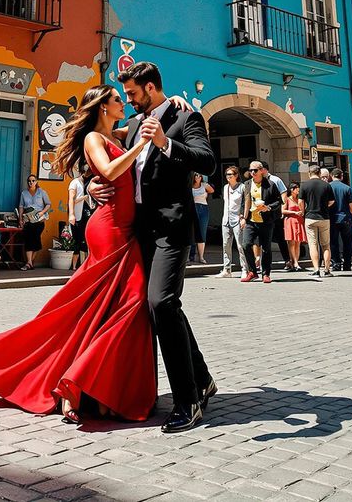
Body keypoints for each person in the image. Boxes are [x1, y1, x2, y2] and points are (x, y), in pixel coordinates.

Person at [0, 85, 158, 425]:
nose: (123, 103)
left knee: (107, 307)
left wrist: (174, 102)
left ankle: (91, 386)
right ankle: (78, 382)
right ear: (102, 107)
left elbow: (146, 119)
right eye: (117, 100)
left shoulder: (117, 133)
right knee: (127, 303)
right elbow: (107, 171)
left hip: (127, 231)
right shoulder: (95, 137)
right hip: (109, 231)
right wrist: (141, 146)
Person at [84, 62, 217, 432]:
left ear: (152, 87)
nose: (128, 101)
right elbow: (104, 154)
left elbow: (207, 162)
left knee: (161, 302)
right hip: (137, 232)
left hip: (172, 228)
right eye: (123, 96)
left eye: (132, 94)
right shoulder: (129, 132)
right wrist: (92, 185)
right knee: (162, 306)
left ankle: (187, 401)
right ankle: (202, 379)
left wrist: (165, 142)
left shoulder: (185, 117)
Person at [242, 161, 283, 283]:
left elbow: (278, 201)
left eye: (255, 170)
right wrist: (242, 217)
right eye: (251, 171)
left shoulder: (270, 184)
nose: (252, 173)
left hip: (266, 221)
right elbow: (244, 202)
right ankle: (252, 272)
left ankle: (266, 273)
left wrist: (268, 207)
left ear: (261, 171)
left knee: (266, 248)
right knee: (246, 245)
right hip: (251, 220)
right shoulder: (247, 184)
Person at [300, 164, 334, 277]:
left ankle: (316, 269)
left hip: (310, 217)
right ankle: (327, 269)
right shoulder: (326, 185)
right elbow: (331, 201)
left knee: (313, 245)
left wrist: (303, 211)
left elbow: (301, 202)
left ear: (309, 173)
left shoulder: (304, 186)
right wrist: (324, 206)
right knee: (326, 245)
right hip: (324, 217)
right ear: (319, 173)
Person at [19, 175, 52, 271]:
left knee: (36, 241)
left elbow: (48, 204)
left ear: (36, 181)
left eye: (33, 180)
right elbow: (21, 206)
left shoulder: (42, 192)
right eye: (29, 181)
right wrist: (20, 219)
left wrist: (42, 212)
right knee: (28, 240)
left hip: (39, 220)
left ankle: (29, 263)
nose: (31, 182)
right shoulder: (24, 193)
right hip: (28, 220)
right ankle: (29, 263)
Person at [218, 166, 246, 277]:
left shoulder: (242, 187)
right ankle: (227, 269)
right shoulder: (225, 187)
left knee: (240, 245)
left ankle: (244, 269)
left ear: (236, 175)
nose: (228, 177)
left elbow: (245, 203)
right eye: (226, 175)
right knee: (226, 245)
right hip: (226, 219)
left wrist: (243, 217)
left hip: (237, 219)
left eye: (230, 174)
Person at [327, 168, 352, 273]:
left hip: (332, 219)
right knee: (347, 243)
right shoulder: (347, 188)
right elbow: (351, 205)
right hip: (345, 218)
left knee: (333, 242)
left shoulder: (328, 187)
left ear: (331, 176)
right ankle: (347, 264)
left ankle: (336, 263)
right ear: (342, 176)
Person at [67, 166, 95, 271]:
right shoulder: (75, 183)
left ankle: (84, 265)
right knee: (77, 241)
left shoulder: (89, 183)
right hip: (78, 215)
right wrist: (71, 214)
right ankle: (74, 266)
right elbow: (71, 200)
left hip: (87, 214)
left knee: (85, 240)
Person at [189, 173, 215, 264]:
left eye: (200, 176)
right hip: (192, 208)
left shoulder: (204, 185)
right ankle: (190, 256)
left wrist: (206, 188)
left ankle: (201, 257)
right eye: (196, 175)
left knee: (202, 232)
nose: (198, 177)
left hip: (203, 208)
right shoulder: (189, 185)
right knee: (191, 232)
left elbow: (212, 191)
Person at [281, 182, 305, 272]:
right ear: (292, 189)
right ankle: (295, 262)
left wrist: (301, 211)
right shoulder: (287, 199)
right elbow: (283, 210)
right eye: (297, 188)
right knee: (291, 243)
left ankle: (295, 262)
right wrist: (294, 212)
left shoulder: (299, 199)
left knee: (298, 242)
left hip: (298, 221)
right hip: (290, 221)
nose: (298, 189)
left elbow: (303, 210)